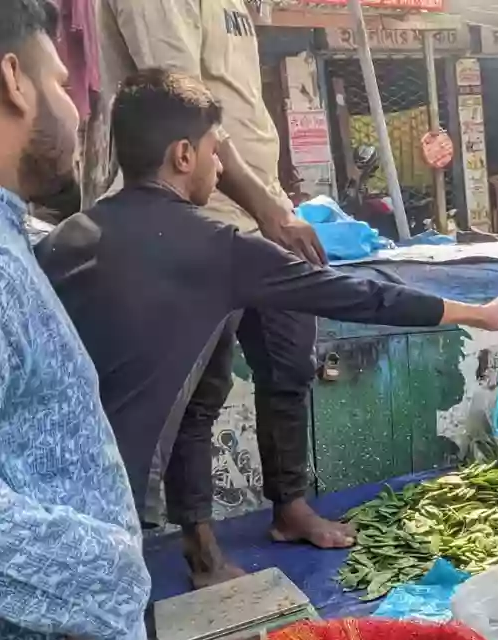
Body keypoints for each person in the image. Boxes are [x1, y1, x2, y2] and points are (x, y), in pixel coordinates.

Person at [37, 68, 498, 564]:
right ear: (183, 156)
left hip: (47, 478)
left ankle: (208, 552)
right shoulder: (219, 247)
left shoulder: (64, 238)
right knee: (106, 625)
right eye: (214, 154)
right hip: (119, 502)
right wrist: (475, 313)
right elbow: (359, 296)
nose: (217, 167)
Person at [83, 0, 342, 587]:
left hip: (259, 210)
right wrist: (266, 207)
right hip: (194, 217)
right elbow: (185, 112)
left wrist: (276, 199)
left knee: (289, 364)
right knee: (199, 391)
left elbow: (237, 106)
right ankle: (200, 546)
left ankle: (290, 506)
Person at [0, 2, 187, 640]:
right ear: (13, 80)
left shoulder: (20, 241)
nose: (79, 114)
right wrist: (102, 582)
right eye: (61, 81)